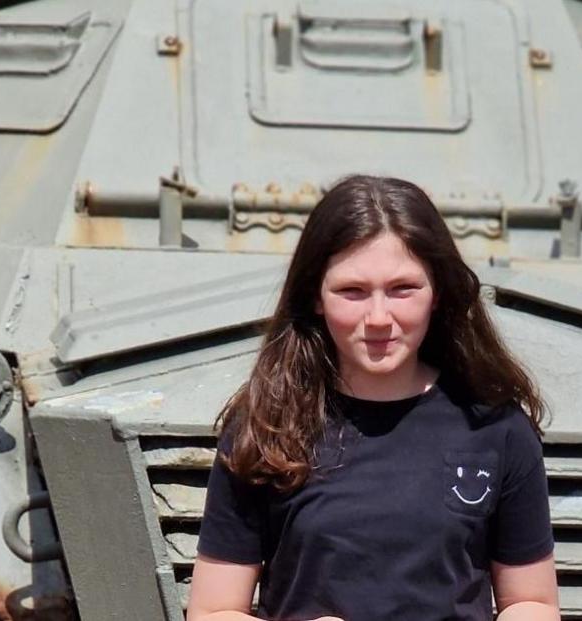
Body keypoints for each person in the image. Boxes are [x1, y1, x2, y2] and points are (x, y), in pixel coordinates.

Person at [186, 175, 559, 621]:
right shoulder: (266, 426)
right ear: (316, 297)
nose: (379, 318)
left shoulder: (496, 428)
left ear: (437, 293)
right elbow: (212, 611)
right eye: (352, 292)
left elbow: (531, 603)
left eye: (403, 289)